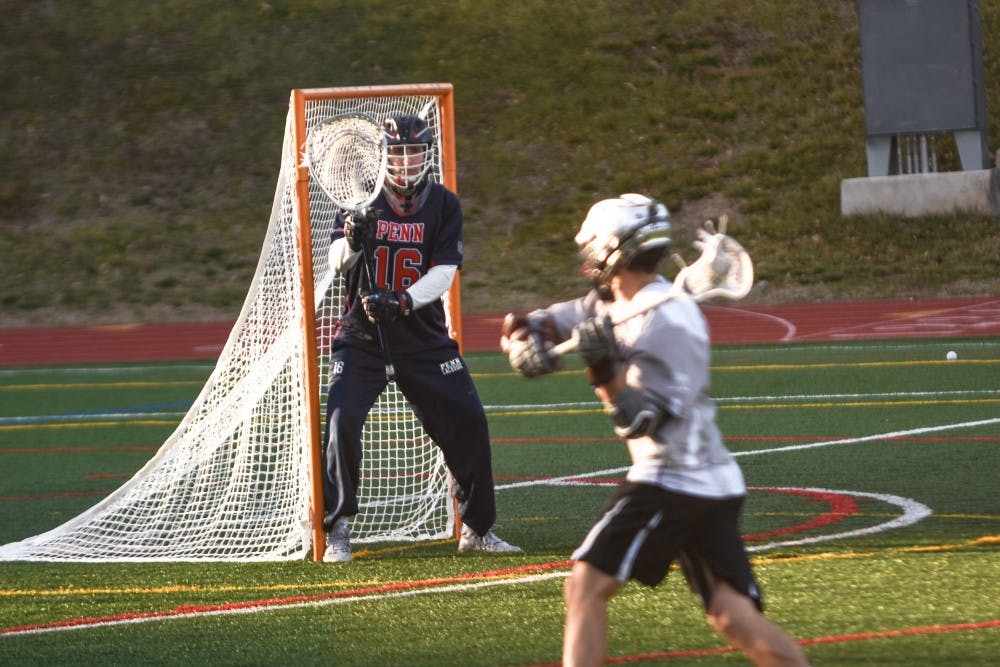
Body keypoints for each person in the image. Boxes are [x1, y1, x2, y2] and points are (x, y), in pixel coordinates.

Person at [501, 194, 810, 666]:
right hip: (707, 480)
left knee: (584, 587)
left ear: (610, 251)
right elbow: (539, 321)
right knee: (731, 617)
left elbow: (640, 420)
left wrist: (602, 368)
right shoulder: (612, 300)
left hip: (675, 477)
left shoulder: (670, 322)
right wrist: (525, 340)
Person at [321, 113, 520, 562]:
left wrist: (403, 302)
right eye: (398, 152)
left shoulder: (445, 205)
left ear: (427, 154)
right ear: (383, 156)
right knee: (340, 422)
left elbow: (445, 271)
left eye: (414, 152)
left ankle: (477, 528)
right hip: (362, 336)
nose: (406, 161)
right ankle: (339, 528)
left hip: (422, 337)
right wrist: (354, 239)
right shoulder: (362, 202)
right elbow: (337, 264)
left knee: (469, 421)